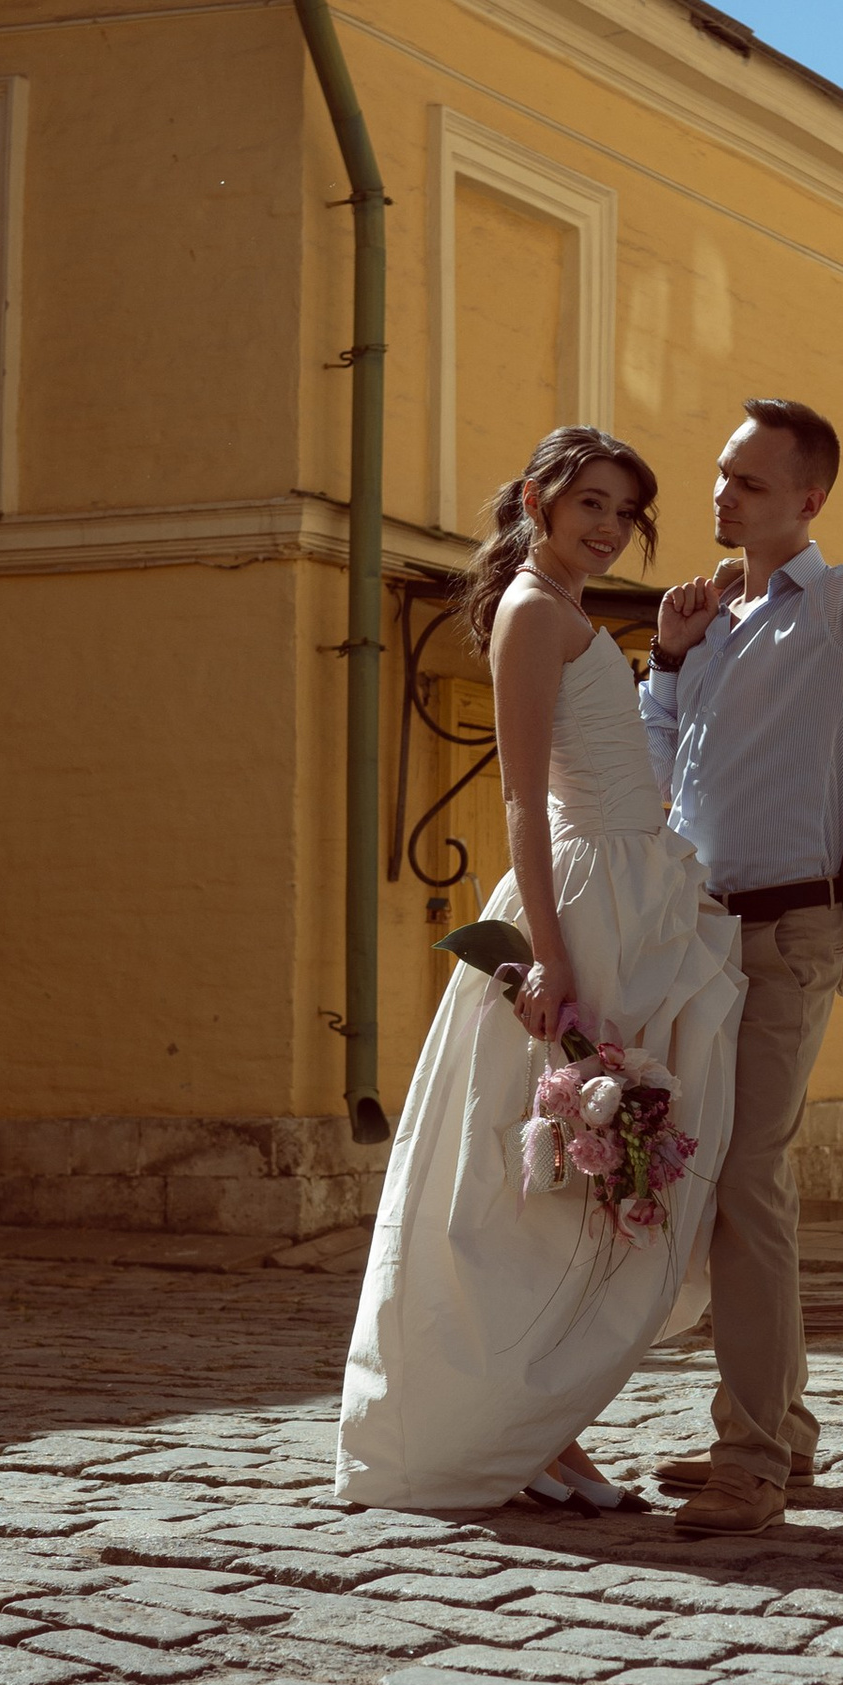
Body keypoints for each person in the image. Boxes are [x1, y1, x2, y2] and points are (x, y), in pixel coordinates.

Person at [334, 429, 743, 1516]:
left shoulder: (565, 612)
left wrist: (669, 656)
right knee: (545, 1187)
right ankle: (504, 1429)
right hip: (582, 906)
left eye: (626, 512)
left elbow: (613, 761)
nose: (608, 527)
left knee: (601, 1186)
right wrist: (548, 962)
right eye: (591, 503)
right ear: (537, 498)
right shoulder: (528, 608)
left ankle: (542, 1424)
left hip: (631, 894)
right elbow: (521, 798)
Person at [638, 335, 843, 1535]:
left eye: (750, 481)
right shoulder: (713, 621)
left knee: (747, 1181)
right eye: (721, 473)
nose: (722, 495)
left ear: (808, 500)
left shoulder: (842, 611)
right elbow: (673, 786)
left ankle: (754, 1453)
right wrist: (663, 664)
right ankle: (785, 1430)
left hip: (795, 931)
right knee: (720, 1181)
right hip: (706, 933)